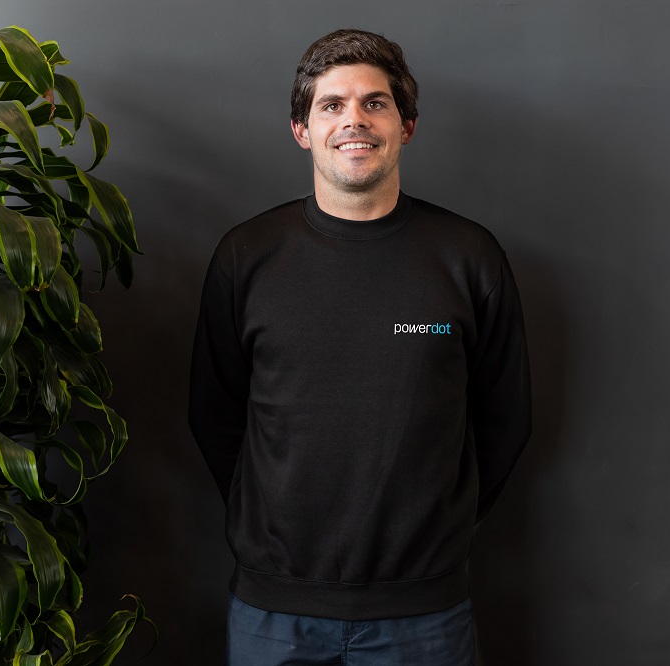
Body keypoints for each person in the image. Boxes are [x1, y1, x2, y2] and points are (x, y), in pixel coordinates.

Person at [189, 28, 531, 666]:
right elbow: (214, 415)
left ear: (407, 126)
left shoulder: (467, 257)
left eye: (376, 103)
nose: (355, 120)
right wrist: (272, 525)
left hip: (424, 613)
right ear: (302, 129)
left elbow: (505, 419)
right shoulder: (246, 256)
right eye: (332, 104)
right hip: (274, 608)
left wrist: (436, 529)